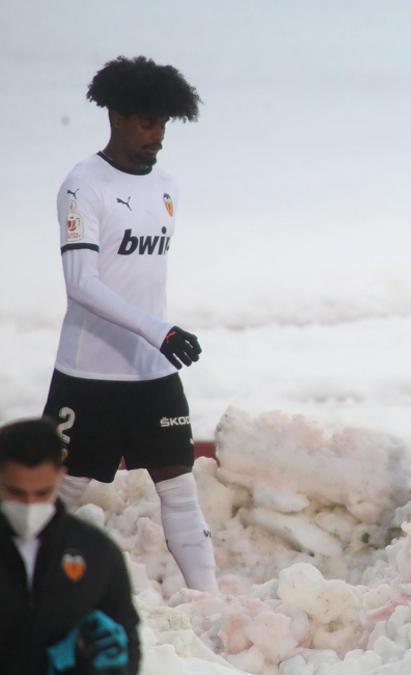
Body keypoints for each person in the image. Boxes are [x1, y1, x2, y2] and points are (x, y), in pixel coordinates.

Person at [45, 55, 217, 591]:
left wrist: (156, 339)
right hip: (89, 373)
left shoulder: (166, 185)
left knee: (181, 489)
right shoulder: (83, 186)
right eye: (147, 121)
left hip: (153, 372)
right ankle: (24, 597)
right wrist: (158, 330)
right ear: (116, 116)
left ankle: (209, 606)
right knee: (59, 498)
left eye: (164, 122)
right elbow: (82, 283)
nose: (157, 134)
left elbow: (142, 276)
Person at [0, 417, 141, 674]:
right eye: (16, 492)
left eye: (42, 493)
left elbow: (126, 640)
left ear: (60, 477)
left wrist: (110, 664)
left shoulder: (96, 553)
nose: (30, 505)